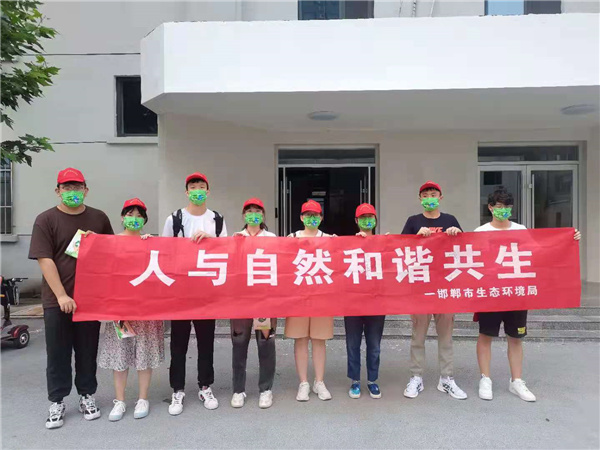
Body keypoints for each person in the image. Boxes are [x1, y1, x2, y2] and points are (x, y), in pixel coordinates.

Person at [474, 187, 581, 402]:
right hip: (491, 293)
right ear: (490, 208)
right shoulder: (480, 232)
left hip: (517, 293)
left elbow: (539, 251)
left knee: (515, 338)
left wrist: (569, 239)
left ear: (511, 209)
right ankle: (485, 379)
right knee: (486, 335)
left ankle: (516, 381)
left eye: (506, 206)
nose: (503, 210)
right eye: (498, 206)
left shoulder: (520, 229)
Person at [28, 168, 114, 429]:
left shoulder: (98, 218)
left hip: (89, 300)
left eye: (77, 187)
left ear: (86, 190)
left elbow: (112, 252)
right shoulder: (46, 220)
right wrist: (62, 295)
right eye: (67, 187)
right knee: (58, 352)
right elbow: (45, 259)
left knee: (87, 351)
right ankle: (57, 400)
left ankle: (87, 395)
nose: (72, 192)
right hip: (58, 301)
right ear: (58, 191)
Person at [161, 172, 228, 415]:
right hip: (181, 292)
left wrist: (211, 240)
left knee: (206, 342)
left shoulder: (216, 219)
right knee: (178, 343)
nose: (197, 190)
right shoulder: (174, 218)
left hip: (206, 292)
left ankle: (205, 386)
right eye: (193, 187)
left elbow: (227, 250)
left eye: (201, 187)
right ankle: (177, 390)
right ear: (186, 192)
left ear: (207, 191)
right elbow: (164, 251)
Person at [98, 198, 165, 421]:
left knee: (144, 355)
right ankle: (119, 401)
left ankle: (143, 398)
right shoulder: (111, 242)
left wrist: (151, 245)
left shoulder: (150, 242)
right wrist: (89, 239)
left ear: (144, 220)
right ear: (122, 217)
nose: (134, 219)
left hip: (146, 311)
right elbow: (98, 269)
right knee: (120, 356)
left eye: (139, 216)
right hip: (120, 311)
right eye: (130, 214)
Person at [400, 181, 468, 400]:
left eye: (433, 194)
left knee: (446, 336)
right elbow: (400, 250)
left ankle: (446, 378)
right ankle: (416, 377)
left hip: (445, 287)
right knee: (418, 336)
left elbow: (465, 250)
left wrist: (457, 234)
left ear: (441, 197)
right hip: (421, 287)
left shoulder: (450, 220)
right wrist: (414, 238)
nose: (430, 197)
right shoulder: (413, 221)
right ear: (420, 199)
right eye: (426, 194)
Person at [229, 198, 277, 409]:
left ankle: (266, 389)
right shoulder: (235, 238)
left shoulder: (272, 238)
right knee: (239, 344)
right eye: (249, 211)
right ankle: (238, 389)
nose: (253, 214)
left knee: (265, 343)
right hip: (241, 300)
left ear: (263, 215)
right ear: (243, 215)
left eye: (257, 211)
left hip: (264, 300)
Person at [285, 200, 334, 401]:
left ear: (321, 218)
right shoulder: (291, 238)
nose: (311, 218)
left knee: (319, 340)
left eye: (315, 215)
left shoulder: (330, 239)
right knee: (301, 339)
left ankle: (319, 381)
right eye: (307, 215)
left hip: (322, 298)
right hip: (298, 297)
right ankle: (303, 382)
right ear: (301, 217)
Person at [346, 203, 386, 399]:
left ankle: (372, 380)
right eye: (363, 217)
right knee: (352, 344)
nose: (367, 220)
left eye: (370, 217)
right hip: (352, 303)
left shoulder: (383, 243)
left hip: (376, 303)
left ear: (376, 220)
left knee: (374, 345)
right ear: (356, 221)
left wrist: (390, 243)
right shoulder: (347, 244)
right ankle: (355, 381)